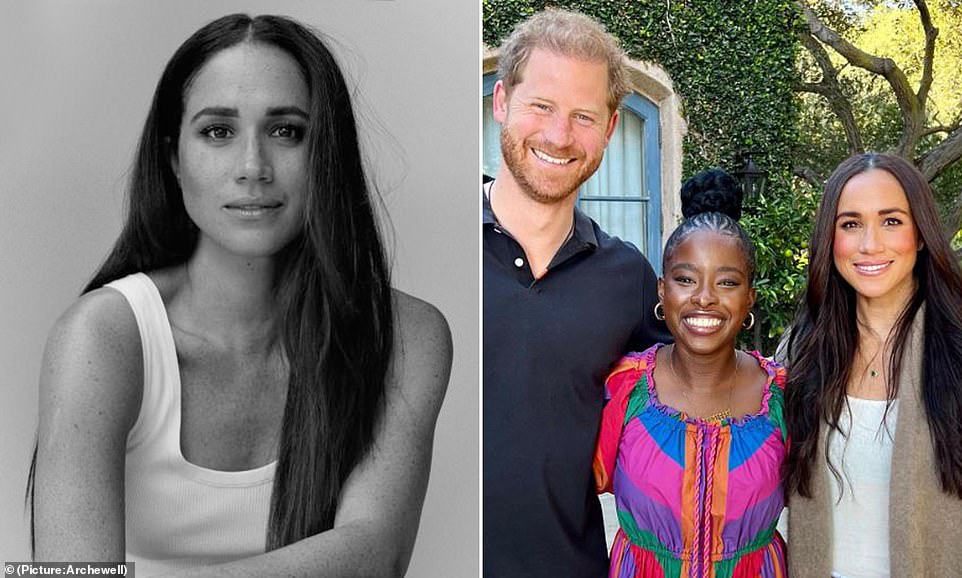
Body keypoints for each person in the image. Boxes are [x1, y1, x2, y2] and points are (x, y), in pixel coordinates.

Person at [27, 13, 452, 577]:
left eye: (286, 131)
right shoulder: (103, 336)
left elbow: (374, 554)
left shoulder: (407, 336)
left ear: (325, 153)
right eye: (218, 131)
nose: (253, 168)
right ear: (175, 158)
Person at [482, 8, 670, 577]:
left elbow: (691, 397)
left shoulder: (629, 279)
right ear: (501, 103)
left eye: (584, 116)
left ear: (611, 130)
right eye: (541, 106)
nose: (560, 136)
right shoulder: (421, 251)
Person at [594, 169, 789, 578]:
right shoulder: (624, 388)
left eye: (727, 282)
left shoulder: (785, 398)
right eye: (686, 279)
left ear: (749, 296)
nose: (704, 298)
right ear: (662, 290)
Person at [781, 153, 962, 578]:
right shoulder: (800, 353)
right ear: (830, 239)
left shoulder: (955, 348)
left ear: (920, 234)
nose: (870, 244)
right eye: (850, 224)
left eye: (892, 221)